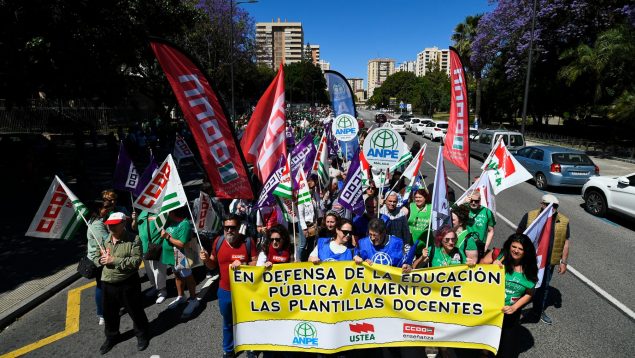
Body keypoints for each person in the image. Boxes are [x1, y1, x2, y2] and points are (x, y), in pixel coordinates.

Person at [199, 214, 258, 358]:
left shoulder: (248, 242)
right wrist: (206, 260)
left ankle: (251, 347)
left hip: (245, 291)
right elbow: (212, 265)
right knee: (228, 322)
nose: (229, 230)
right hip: (225, 290)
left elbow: (256, 263)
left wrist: (244, 265)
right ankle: (229, 349)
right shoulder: (218, 242)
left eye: (232, 227)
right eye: (226, 227)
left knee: (248, 320)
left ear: (238, 228)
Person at [93, 212, 149, 354]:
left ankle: (142, 334)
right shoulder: (105, 240)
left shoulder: (134, 239)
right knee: (109, 314)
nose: (111, 227)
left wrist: (113, 260)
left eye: (114, 224)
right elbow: (95, 256)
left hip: (128, 283)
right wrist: (100, 260)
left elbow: (136, 262)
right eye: (109, 225)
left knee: (135, 311)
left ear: (123, 224)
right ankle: (112, 336)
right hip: (108, 283)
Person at [516, 194, 570, 325]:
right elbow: (518, 235)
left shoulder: (563, 221)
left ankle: (538, 311)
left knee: (543, 287)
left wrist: (563, 262)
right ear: (542, 204)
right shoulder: (530, 216)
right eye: (548, 205)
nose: (552, 209)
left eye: (555, 206)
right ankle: (515, 311)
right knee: (522, 285)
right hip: (529, 260)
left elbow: (566, 242)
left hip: (548, 262)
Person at [481, 234, 537, 357]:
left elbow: (529, 293)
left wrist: (514, 307)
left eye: (520, 249)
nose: (516, 251)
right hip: (490, 310)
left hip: (509, 314)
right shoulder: (499, 256)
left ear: (526, 251)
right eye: (514, 246)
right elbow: (478, 270)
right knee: (485, 345)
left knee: (506, 350)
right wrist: (491, 268)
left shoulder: (530, 270)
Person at [160, 207, 199, 318]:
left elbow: (182, 244)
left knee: (188, 277)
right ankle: (181, 296)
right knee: (177, 276)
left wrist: (167, 237)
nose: (166, 213)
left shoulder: (184, 224)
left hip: (181, 256)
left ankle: (193, 300)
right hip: (171, 257)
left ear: (173, 212)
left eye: (168, 211)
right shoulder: (170, 221)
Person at [132, 209, 167, 304]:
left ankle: (162, 290)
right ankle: (155, 287)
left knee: (158, 270)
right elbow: (135, 228)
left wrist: (157, 218)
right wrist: (134, 219)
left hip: (156, 246)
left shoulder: (160, 211)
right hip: (143, 247)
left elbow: (166, 225)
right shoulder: (142, 213)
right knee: (149, 271)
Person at [86, 202, 109, 325]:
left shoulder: (93, 221)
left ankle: (103, 312)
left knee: (102, 285)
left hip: (96, 258)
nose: (108, 209)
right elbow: (106, 241)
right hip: (100, 260)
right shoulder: (97, 225)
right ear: (98, 210)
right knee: (102, 286)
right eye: (105, 208)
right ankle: (102, 314)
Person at [466, 190, 495, 257]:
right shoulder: (464, 209)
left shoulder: (487, 212)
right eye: (471, 200)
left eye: (476, 201)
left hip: (479, 246)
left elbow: (491, 231)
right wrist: (464, 202)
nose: (473, 203)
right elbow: (452, 212)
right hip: (465, 244)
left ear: (480, 201)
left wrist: (486, 246)